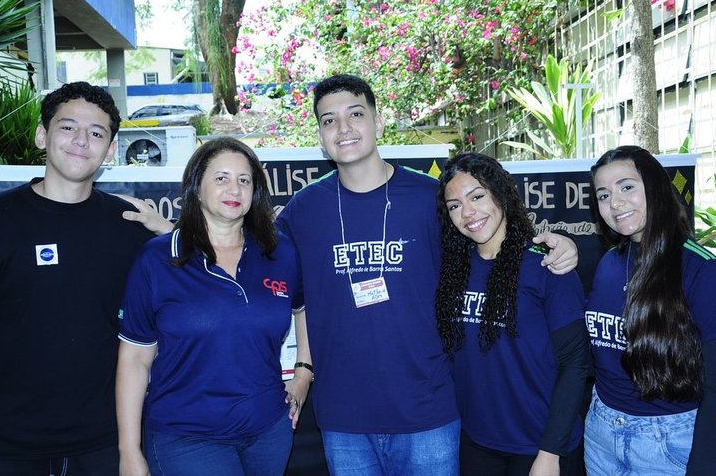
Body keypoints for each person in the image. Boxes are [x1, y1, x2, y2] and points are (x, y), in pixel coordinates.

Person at [275, 73, 579, 475]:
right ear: (319, 134)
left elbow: (489, 245)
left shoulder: (430, 198)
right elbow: (273, 281)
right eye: (329, 120)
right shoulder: (303, 209)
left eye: (355, 114)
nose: (343, 128)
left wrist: (561, 245)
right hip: (344, 419)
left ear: (378, 123)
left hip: (429, 413)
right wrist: (303, 369)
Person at [0, 82, 171, 475]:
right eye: (68, 127)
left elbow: (206, 273)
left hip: (102, 444)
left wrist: (167, 231)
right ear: (42, 135)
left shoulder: (129, 228)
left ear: (110, 150)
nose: (81, 141)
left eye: (96, 133)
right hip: (4, 447)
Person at [116, 137, 312, 476]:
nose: (234, 189)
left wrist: (303, 373)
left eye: (244, 180)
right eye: (221, 178)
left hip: (268, 432)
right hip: (188, 437)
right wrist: (129, 451)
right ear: (196, 187)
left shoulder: (279, 252)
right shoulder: (158, 259)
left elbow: (302, 308)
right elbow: (134, 359)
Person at [585, 145, 716, 475]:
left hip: (669, 444)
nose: (614, 203)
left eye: (626, 187)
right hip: (600, 435)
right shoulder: (608, 265)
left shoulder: (705, 272)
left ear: (655, 187)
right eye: (603, 195)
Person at [436, 152, 589, 476]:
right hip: (478, 446)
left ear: (501, 193)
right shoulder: (452, 270)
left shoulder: (547, 266)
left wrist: (550, 452)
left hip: (541, 448)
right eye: (454, 205)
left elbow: (575, 364)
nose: (467, 212)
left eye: (477, 196)